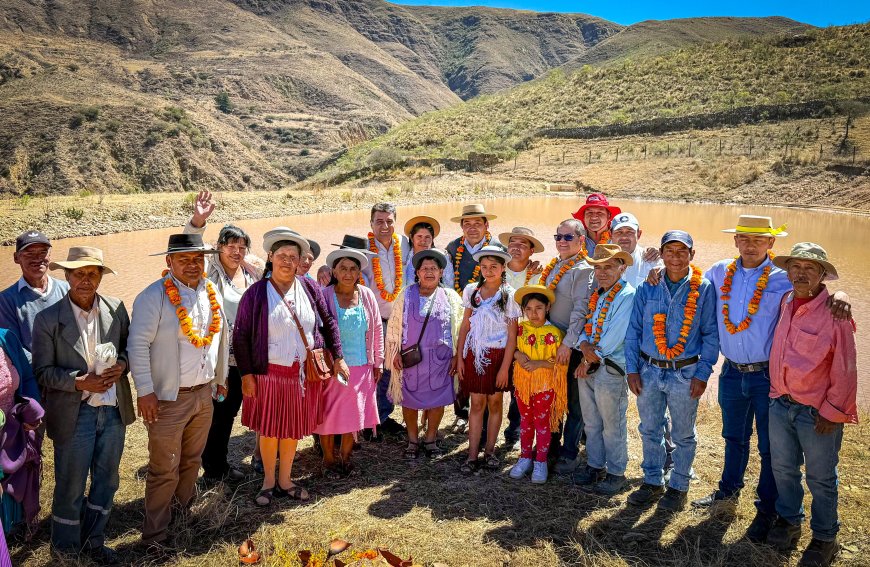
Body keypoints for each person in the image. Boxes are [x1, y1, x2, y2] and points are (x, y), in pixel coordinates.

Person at [128, 233, 229, 546]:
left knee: (191, 460)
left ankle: (180, 516)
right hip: (168, 398)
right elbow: (137, 345)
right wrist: (145, 391)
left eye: (197, 258)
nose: (191, 265)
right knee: (163, 468)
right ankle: (154, 536)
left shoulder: (211, 291)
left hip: (203, 394)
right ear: (168, 261)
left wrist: (220, 376)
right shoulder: (152, 296)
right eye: (183, 259)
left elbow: (220, 338)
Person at [31, 247, 131, 564]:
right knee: (70, 485)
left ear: (101, 277)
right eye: (78, 274)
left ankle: (94, 541)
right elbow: (42, 372)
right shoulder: (48, 319)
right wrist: (78, 382)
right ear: (67, 276)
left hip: (112, 410)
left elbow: (130, 350)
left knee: (108, 480)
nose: (85, 281)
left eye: (92, 274)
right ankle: (65, 550)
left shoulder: (116, 308)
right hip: (75, 414)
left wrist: (123, 366)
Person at [235, 228, 348, 506]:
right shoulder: (256, 293)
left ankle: (286, 480)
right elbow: (241, 336)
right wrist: (247, 375)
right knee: (271, 429)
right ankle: (268, 482)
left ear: (300, 262)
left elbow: (329, 322)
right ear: (270, 258)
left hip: (302, 375)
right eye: (282, 255)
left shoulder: (310, 288)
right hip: (269, 374)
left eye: (293, 257)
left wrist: (339, 356)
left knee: (291, 429)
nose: (287, 261)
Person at [765, 243, 857, 567]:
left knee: (820, 478)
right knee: (784, 469)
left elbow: (846, 367)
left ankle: (824, 538)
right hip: (780, 402)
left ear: (821, 275)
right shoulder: (785, 299)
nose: (801, 274)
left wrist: (833, 412)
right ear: (788, 271)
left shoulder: (836, 311)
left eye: (810, 268)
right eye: (796, 267)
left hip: (816, 412)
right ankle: (789, 521)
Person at [624, 230, 719, 512]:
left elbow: (711, 334)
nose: (675, 257)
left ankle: (678, 485)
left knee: (683, 434)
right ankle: (652, 480)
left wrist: (703, 373)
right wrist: (632, 370)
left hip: (685, 373)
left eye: (682, 252)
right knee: (650, 429)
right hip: (649, 370)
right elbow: (634, 332)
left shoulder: (704, 289)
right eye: (670, 251)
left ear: (692, 255)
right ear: (661, 254)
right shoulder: (647, 286)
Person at [184, 193, 261, 483]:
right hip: (221, 360)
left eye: (242, 247)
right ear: (219, 248)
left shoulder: (251, 272)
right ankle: (214, 469)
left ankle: (223, 462)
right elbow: (189, 248)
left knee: (234, 411)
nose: (237, 252)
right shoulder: (209, 270)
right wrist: (198, 221)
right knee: (220, 413)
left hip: (248, 357)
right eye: (231, 246)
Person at [386, 250, 463, 460]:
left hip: (441, 360)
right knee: (409, 400)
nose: (429, 272)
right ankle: (412, 440)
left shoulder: (451, 297)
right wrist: (394, 353)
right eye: (424, 269)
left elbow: (458, 331)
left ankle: (430, 438)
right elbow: (393, 327)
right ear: (417, 272)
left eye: (433, 269)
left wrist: (457, 356)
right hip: (411, 360)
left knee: (437, 401)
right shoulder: (405, 295)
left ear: (441, 272)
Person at [572, 244, 636, 496]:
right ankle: (594, 464)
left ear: (622, 267)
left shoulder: (627, 295)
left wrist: (587, 358)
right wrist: (584, 344)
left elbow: (613, 338)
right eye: (598, 267)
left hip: (610, 368)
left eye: (608, 266)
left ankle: (616, 472)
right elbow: (588, 328)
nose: (602, 272)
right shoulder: (598, 294)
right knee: (591, 421)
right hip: (590, 364)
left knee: (613, 423)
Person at [315, 246, 383, 478]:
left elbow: (376, 328)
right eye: (342, 268)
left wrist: (378, 361)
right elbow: (318, 332)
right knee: (328, 416)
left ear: (358, 273)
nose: (348, 273)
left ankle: (345, 458)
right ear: (334, 270)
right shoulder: (324, 296)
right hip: (332, 368)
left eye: (353, 268)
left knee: (353, 417)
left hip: (362, 365)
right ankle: (328, 459)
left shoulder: (366, 295)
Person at [456, 246, 519, 474]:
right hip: (475, 354)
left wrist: (505, 368)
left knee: (494, 403)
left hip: (498, 355)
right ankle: (472, 455)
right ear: (479, 268)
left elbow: (512, 336)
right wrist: (460, 357)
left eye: (494, 266)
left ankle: (490, 451)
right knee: (476, 404)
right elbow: (465, 326)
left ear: (503, 268)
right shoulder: (472, 291)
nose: (489, 271)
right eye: (484, 267)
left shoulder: (510, 295)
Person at [540, 219, 594, 475]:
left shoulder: (583, 269)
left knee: (573, 402)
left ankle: (570, 453)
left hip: (568, 347)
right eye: (558, 236)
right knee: (553, 400)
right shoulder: (556, 265)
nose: (562, 241)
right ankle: (550, 448)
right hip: (550, 345)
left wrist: (567, 343)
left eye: (568, 237)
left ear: (581, 241)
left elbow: (581, 310)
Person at [445, 204, 505, 432]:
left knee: (486, 362)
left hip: (490, 316)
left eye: (477, 223)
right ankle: (462, 412)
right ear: (461, 227)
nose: (472, 228)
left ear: (486, 225)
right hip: (463, 310)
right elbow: (449, 281)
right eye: (467, 224)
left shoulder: (498, 247)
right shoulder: (452, 248)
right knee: (462, 361)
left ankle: (487, 413)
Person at [508, 285, 568, 484]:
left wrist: (538, 364)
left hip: (544, 386)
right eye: (529, 309)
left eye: (538, 308)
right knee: (526, 422)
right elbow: (512, 348)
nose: (533, 313)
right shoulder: (520, 329)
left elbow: (560, 364)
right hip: (523, 385)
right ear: (523, 310)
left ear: (548, 307)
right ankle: (525, 457)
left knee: (542, 424)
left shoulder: (554, 333)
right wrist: (517, 354)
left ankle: (540, 461)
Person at [361, 203, 411, 440]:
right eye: (379, 221)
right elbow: (342, 269)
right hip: (373, 320)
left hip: (399, 319)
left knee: (392, 370)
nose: (385, 226)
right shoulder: (362, 247)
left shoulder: (405, 243)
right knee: (372, 369)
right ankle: (366, 419)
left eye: (389, 221)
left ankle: (382, 415)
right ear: (371, 223)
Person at [498, 226, 544, 443]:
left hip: (525, 339)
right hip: (495, 337)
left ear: (531, 251)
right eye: (513, 243)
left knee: (520, 388)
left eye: (523, 244)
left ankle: (514, 429)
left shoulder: (539, 275)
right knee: (493, 386)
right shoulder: (496, 269)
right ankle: (484, 431)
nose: (516, 248)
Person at [0, 231, 70, 358]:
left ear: (50, 255)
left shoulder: (67, 289)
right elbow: (14, 347)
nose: (37, 258)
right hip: (36, 373)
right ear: (16, 258)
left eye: (43, 252)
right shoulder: (5, 300)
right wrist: (49, 372)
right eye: (29, 253)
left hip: (72, 368)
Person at [0, 328, 41, 537]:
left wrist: (31, 412)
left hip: (13, 436)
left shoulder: (6, 338)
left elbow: (27, 378)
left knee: (11, 496)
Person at [610, 213, 663, 287]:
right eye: (619, 232)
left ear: (639, 234)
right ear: (610, 235)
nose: (624, 237)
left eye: (630, 232)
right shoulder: (601, 260)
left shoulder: (652, 261)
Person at [403, 215, 453, 288]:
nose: (423, 241)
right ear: (411, 237)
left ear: (432, 239)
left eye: (427, 237)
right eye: (419, 236)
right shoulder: (404, 254)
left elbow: (449, 284)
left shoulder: (441, 257)